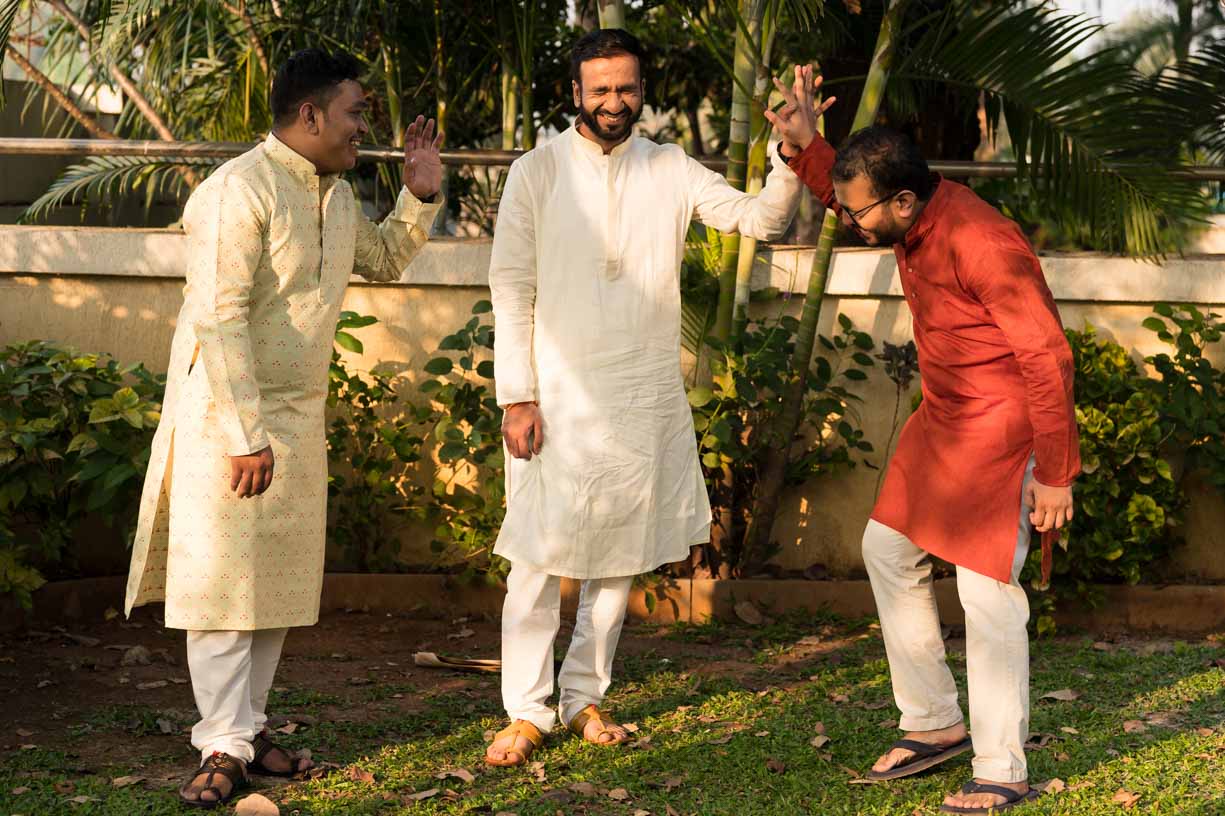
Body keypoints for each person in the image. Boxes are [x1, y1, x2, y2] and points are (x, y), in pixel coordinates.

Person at [122, 48, 444, 807]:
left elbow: (383, 260)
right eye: (355, 113)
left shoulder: (335, 195)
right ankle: (221, 742)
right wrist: (245, 434)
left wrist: (419, 196)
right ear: (310, 114)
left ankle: (247, 728)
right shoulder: (238, 190)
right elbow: (218, 315)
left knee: (273, 585)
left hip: (298, 417)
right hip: (226, 418)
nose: (363, 127)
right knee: (222, 587)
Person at [483, 28, 804, 766]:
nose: (613, 101)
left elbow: (760, 219)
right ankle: (526, 711)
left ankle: (583, 698)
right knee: (534, 558)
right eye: (599, 89)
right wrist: (517, 395)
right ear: (574, 93)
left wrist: (787, 156)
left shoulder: (669, 167)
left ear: (641, 90)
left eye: (625, 88)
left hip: (639, 394)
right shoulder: (536, 171)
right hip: (553, 397)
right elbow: (511, 286)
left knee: (617, 557)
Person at [765, 66, 1079, 814]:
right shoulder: (903, 210)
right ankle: (934, 721)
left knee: (985, 589)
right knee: (887, 549)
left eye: (857, 211)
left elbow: (1048, 356)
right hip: (942, 418)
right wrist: (807, 146)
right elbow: (844, 193)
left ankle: (1001, 767)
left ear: (903, 201)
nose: (846, 219)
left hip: (1000, 427)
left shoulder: (982, 240)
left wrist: (1056, 472)